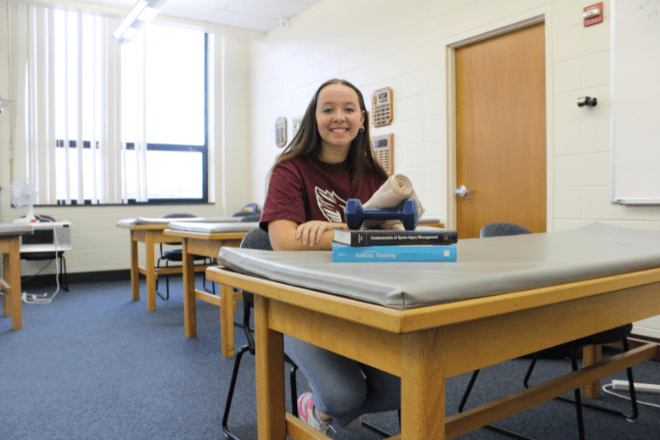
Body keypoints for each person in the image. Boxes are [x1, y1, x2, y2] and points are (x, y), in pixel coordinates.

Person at [259, 78, 401, 434]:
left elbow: (394, 236)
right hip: (303, 305)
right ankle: (321, 406)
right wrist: (359, 236)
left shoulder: (373, 173)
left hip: (365, 299)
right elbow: (285, 242)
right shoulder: (289, 169)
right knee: (344, 400)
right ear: (315, 117)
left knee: (406, 387)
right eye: (328, 109)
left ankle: (323, 411)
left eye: (349, 109)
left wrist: (326, 231)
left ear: (362, 119)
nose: (339, 117)